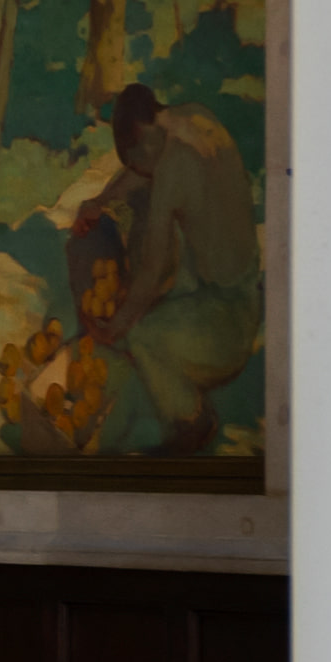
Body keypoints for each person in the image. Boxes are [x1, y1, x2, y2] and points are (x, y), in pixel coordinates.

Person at [89, 75, 268, 460]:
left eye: (137, 161)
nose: (140, 171)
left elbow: (152, 270)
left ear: (142, 138)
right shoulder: (189, 118)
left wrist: (115, 327)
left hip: (231, 321)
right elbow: (139, 171)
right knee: (160, 236)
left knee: (142, 337)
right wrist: (100, 202)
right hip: (237, 279)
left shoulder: (172, 170)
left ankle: (193, 421)